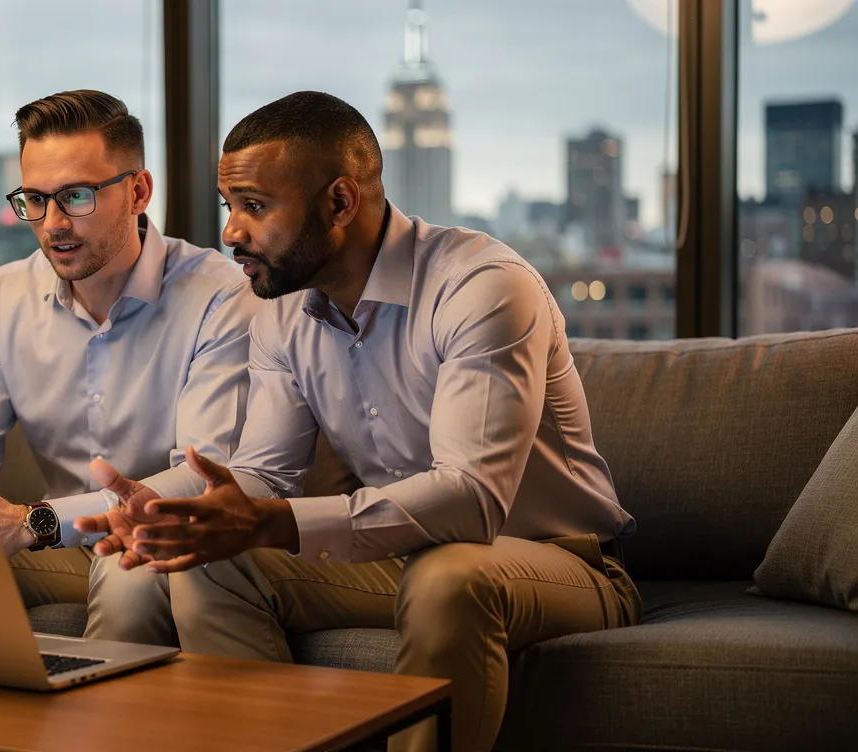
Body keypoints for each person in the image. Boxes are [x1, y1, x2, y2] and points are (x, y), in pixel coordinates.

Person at [74, 91, 640, 752]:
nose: (230, 232)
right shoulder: (281, 311)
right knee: (208, 559)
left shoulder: (482, 285)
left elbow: (473, 499)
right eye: (231, 208)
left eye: (254, 207)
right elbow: (262, 474)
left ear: (340, 203)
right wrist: (174, 510)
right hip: (400, 554)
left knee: (448, 575)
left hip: (562, 563)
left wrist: (278, 522)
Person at [0, 89, 256, 648]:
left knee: (128, 577)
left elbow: (199, 476)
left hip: (163, 534)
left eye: (76, 196)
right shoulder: (2, 297)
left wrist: (33, 521)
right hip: (55, 543)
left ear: (138, 191)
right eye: (35, 200)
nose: (53, 224)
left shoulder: (219, 298)